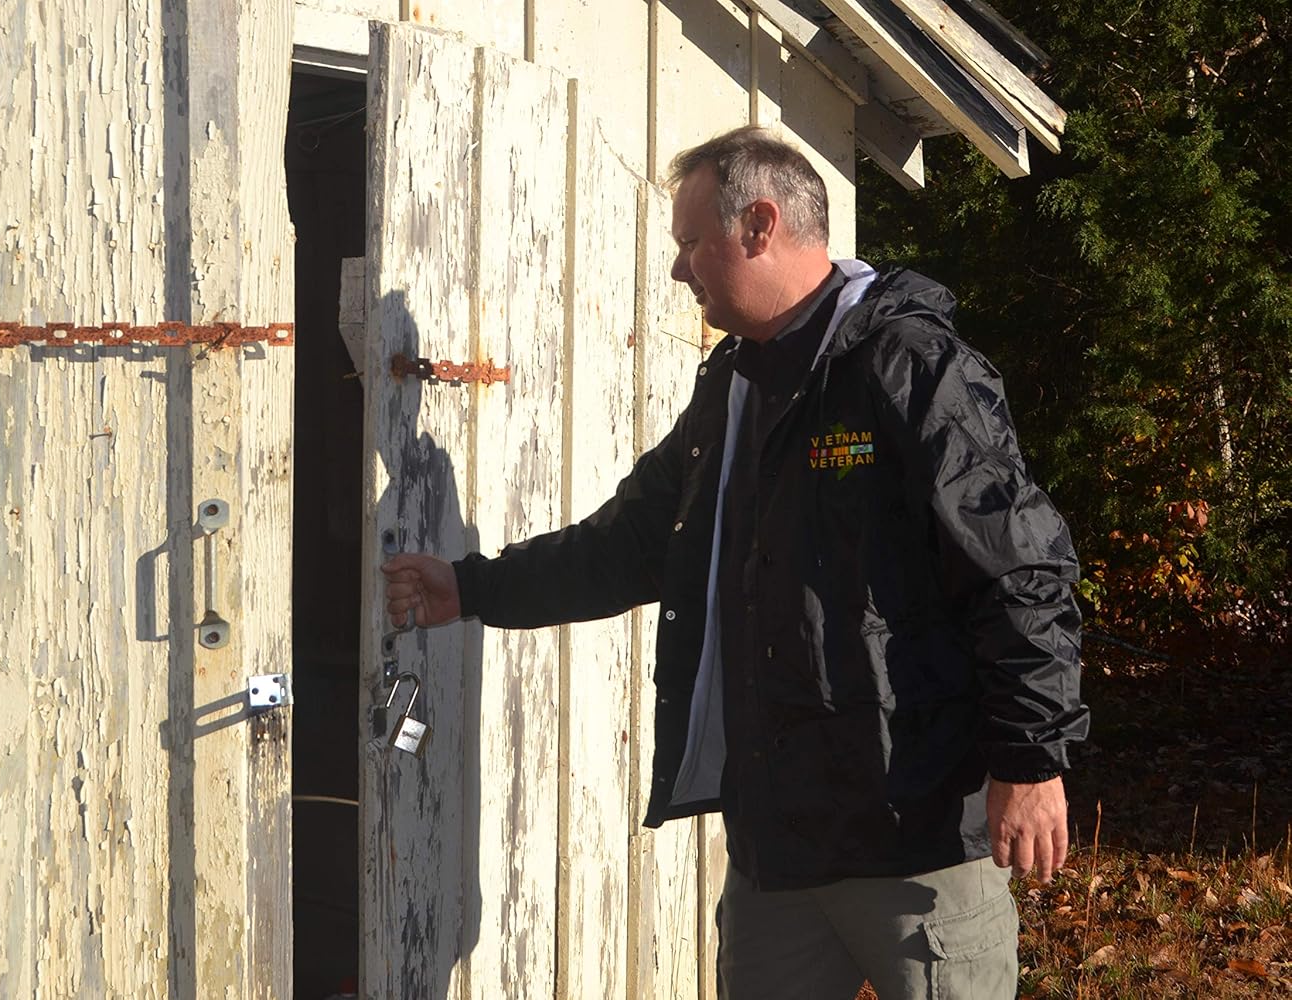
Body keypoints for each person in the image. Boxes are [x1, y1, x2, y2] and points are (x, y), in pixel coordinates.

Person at [382, 125, 1089, 999]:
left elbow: (1021, 569)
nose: (681, 268)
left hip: (917, 846)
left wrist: (1030, 760)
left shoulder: (910, 367)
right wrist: (473, 587)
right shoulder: (733, 386)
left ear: (758, 225)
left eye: (689, 241)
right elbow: (634, 543)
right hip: (775, 853)